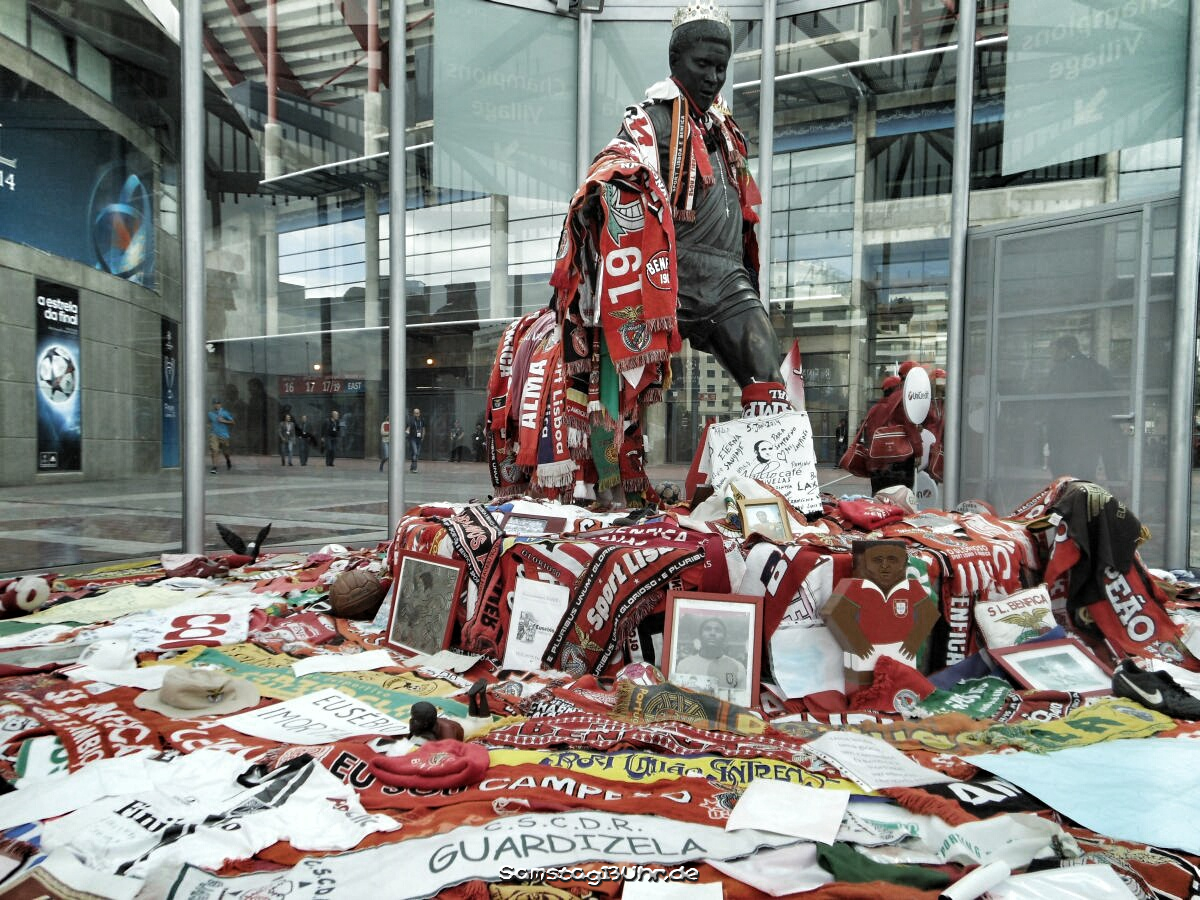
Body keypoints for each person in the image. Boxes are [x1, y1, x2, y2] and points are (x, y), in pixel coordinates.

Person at [1041, 336, 1120, 482]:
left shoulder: (1060, 371)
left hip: (1064, 434)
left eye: (1054, 352)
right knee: (1086, 473)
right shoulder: (1099, 369)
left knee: (1063, 476)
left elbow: (1050, 402)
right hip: (1092, 434)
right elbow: (1113, 401)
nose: (1052, 357)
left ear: (1065, 350)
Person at [672, 616, 747, 703]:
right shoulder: (684, 665)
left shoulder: (738, 667)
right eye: (707, 629)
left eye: (718, 630)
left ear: (724, 637)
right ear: (700, 636)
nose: (712, 633)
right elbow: (677, 700)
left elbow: (741, 703)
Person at [207, 397, 234, 475]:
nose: (216, 405)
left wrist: (223, 421)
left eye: (218, 403)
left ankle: (228, 460)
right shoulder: (210, 414)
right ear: (213, 405)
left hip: (224, 435)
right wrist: (208, 426)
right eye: (215, 404)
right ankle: (214, 467)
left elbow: (233, 422)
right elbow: (208, 422)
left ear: (220, 404)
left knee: (225, 452)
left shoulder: (225, 413)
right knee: (214, 450)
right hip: (214, 434)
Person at [406, 407, 425, 473]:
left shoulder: (422, 420)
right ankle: (414, 468)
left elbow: (423, 428)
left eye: (417, 413)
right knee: (415, 452)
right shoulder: (411, 420)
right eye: (415, 413)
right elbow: (408, 428)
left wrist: (423, 436)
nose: (416, 414)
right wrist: (406, 433)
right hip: (413, 438)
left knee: (416, 454)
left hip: (419, 438)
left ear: (419, 413)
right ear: (413, 414)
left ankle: (412, 467)